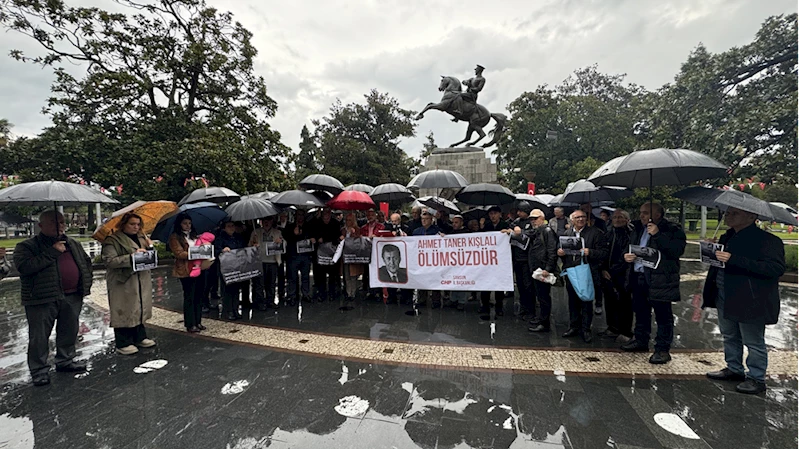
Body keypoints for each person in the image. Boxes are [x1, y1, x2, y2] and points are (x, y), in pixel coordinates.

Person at [703, 207, 785, 394]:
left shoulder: (768, 241)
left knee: (753, 340)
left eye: (734, 213)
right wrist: (711, 250)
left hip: (750, 299)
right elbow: (720, 264)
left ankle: (756, 378)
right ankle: (734, 368)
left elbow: (774, 268)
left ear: (751, 216)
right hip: (724, 294)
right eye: (727, 213)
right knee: (729, 334)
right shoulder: (727, 237)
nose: (728, 216)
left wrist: (734, 259)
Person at [14, 210, 92, 386]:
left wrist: (86, 282)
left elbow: (86, 263)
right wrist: (52, 252)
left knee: (69, 330)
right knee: (39, 336)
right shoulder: (27, 246)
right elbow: (25, 267)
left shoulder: (72, 243)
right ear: (41, 225)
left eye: (63, 222)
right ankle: (39, 370)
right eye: (54, 223)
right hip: (42, 298)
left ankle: (65, 360)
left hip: (71, 295)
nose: (60, 226)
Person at [621, 202, 686, 364]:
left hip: (660, 278)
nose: (641, 215)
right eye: (640, 212)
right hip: (639, 276)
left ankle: (662, 349)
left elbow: (676, 251)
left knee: (663, 315)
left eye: (645, 213)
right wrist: (626, 256)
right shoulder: (638, 228)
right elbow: (630, 247)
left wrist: (657, 234)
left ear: (657, 215)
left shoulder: (672, 229)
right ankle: (640, 340)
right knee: (641, 311)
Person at [101, 213, 156, 355]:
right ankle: (123, 342)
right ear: (123, 224)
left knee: (139, 306)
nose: (136, 227)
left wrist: (150, 248)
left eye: (138, 224)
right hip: (123, 281)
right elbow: (109, 261)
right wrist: (131, 257)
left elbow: (149, 258)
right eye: (132, 224)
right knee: (124, 309)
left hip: (141, 279)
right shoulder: (113, 240)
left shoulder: (141, 238)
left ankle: (139, 336)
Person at [557, 210, 607, 343]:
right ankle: (574, 326)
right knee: (572, 300)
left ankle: (586, 329)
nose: (580, 219)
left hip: (587, 271)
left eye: (583, 217)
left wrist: (590, 252)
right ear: (572, 220)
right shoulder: (567, 234)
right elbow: (560, 249)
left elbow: (603, 253)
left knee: (586, 301)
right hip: (571, 272)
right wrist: (560, 252)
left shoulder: (595, 233)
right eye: (577, 217)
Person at [599, 209, 635, 341]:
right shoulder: (609, 233)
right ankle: (612, 327)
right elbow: (603, 252)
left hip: (623, 274)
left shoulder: (630, 234)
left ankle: (625, 330)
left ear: (626, 219)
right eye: (615, 217)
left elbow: (625, 257)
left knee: (625, 303)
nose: (617, 220)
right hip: (607, 273)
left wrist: (613, 271)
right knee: (609, 301)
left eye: (621, 217)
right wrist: (603, 269)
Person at [168, 213, 206, 333]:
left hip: (199, 267)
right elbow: (179, 253)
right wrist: (194, 253)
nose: (187, 225)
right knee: (190, 296)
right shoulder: (175, 237)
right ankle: (190, 323)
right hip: (185, 269)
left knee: (199, 295)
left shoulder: (195, 236)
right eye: (185, 223)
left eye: (189, 223)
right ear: (179, 224)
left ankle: (198, 321)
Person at [525, 209, 558, 333]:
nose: (533, 221)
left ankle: (545, 323)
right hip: (536, 269)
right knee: (539, 295)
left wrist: (548, 268)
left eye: (535, 218)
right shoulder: (537, 232)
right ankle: (541, 319)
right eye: (531, 219)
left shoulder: (547, 231)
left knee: (544, 297)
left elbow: (552, 250)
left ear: (542, 218)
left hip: (543, 269)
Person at [478, 206, 511, 315]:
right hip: (487, 260)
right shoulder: (486, 225)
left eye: (495, 213)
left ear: (500, 214)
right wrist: (481, 227)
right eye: (491, 214)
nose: (493, 216)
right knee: (485, 284)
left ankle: (499, 306)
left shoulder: (505, 225)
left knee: (499, 284)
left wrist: (507, 232)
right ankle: (485, 306)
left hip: (500, 260)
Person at [506, 201, 535, 318]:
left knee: (528, 285)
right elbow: (510, 226)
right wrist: (512, 228)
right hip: (517, 258)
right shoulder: (517, 221)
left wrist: (521, 232)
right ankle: (523, 306)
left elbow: (532, 233)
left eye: (521, 211)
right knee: (521, 285)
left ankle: (531, 308)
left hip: (527, 259)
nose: (518, 213)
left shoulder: (531, 222)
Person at [215, 219, 248, 320]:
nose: (231, 228)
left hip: (237, 267)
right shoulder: (220, 238)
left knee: (236, 290)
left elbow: (243, 248)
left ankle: (235, 309)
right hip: (226, 268)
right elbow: (215, 250)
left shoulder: (238, 237)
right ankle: (228, 310)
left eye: (233, 226)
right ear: (224, 228)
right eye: (229, 226)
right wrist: (222, 250)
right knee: (227, 290)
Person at [249, 216, 283, 310]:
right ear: (261, 221)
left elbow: (284, 245)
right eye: (264, 221)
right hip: (260, 261)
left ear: (272, 221)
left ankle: (270, 301)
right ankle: (260, 302)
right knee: (259, 284)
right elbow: (249, 246)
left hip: (273, 261)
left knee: (271, 283)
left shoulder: (277, 232)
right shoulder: (256, 232)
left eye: (269, 220)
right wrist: (253, 244)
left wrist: (281, 242)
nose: (266, 223)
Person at [283, 209, 314, 306]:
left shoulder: (308, 226)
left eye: (302, 215)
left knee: (305, 276)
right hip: (293, 256)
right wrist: (294, 234)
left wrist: (312, 239)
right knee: (292, 277)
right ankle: (292, 295)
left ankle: (306, 294)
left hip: (305, 256)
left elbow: (312, 237)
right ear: (295, 216)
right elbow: (286, 238)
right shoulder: (289, 226)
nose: (300, 217)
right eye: (298, 215)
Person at [311, 208, 343, 302]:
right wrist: (317, 238)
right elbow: (313, 235)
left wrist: (327, 239)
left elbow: (338, 236)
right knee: (321, 275)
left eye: (328, 213)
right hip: (321, 252)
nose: (326, 215)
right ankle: (322, 293)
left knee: (333, 275)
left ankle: (332, 293)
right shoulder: (317, 223)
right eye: (324, 213)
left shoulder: (335, 223)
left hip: (332, 251)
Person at [413, 209, 442, 307]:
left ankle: (436, 300)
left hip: (433, 259)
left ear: (431, 219)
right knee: (422, 279)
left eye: (426, 219)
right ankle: (422, 299)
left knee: (435, 280)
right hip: (421, 259)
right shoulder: (417, 231)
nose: (424, 221)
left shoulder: (436, 231)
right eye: (422, 219)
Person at [443, 215, 472, 310]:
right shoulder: (451, 232)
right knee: (454, 279)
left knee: (462, 280)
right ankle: (453, 298)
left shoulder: (467, 232)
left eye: (456, 222)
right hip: (453, 260)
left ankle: (462, 301)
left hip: (464, 260)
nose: (454, 224)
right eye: (453, 222)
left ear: (461, 223)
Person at [360, 209, 385, 300]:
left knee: (377, 272)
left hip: (377, 253)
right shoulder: (363, 227)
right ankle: (369, 291)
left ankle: (377, 292)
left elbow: (383, 237)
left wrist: (377, 237)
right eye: (368, 215)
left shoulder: (381, 227)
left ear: (375, 215)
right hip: (367, 252)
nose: (370, 217)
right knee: (367, 272)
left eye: (372, 215)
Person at [341, 212, 364, 301]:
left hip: (353, 255)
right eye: (346, 220)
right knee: (346, 275)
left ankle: (352, 293)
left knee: (353, 275)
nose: (348, 222)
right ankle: (348, 292)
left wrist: (354, 234)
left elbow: (359, 241)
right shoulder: (343, 229)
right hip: (345, 255)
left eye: (350, 220)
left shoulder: (357, 229)